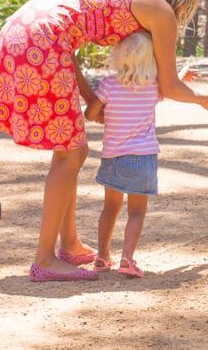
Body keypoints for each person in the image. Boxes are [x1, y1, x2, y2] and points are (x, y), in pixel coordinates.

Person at [0, 0, 208, 282]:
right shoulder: (159, 9)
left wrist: (90, 99)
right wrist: (201, 99)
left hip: (20, 33)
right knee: (71, 152)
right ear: (182, 0)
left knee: (70, 149)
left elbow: (66, 46)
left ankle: (69, 244)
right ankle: (44, 259)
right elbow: (168, 86)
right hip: (42, 41)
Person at [84, 31, 196, 278]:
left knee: (110, 208)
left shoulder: (109, 85)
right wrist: (182, 77)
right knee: (136, 212)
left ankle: (102, 257)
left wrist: (103, 111)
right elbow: (172, 88)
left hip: (112, 156)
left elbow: (90, 115)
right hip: (143, 158)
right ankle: (126, 259)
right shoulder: (154, 85)